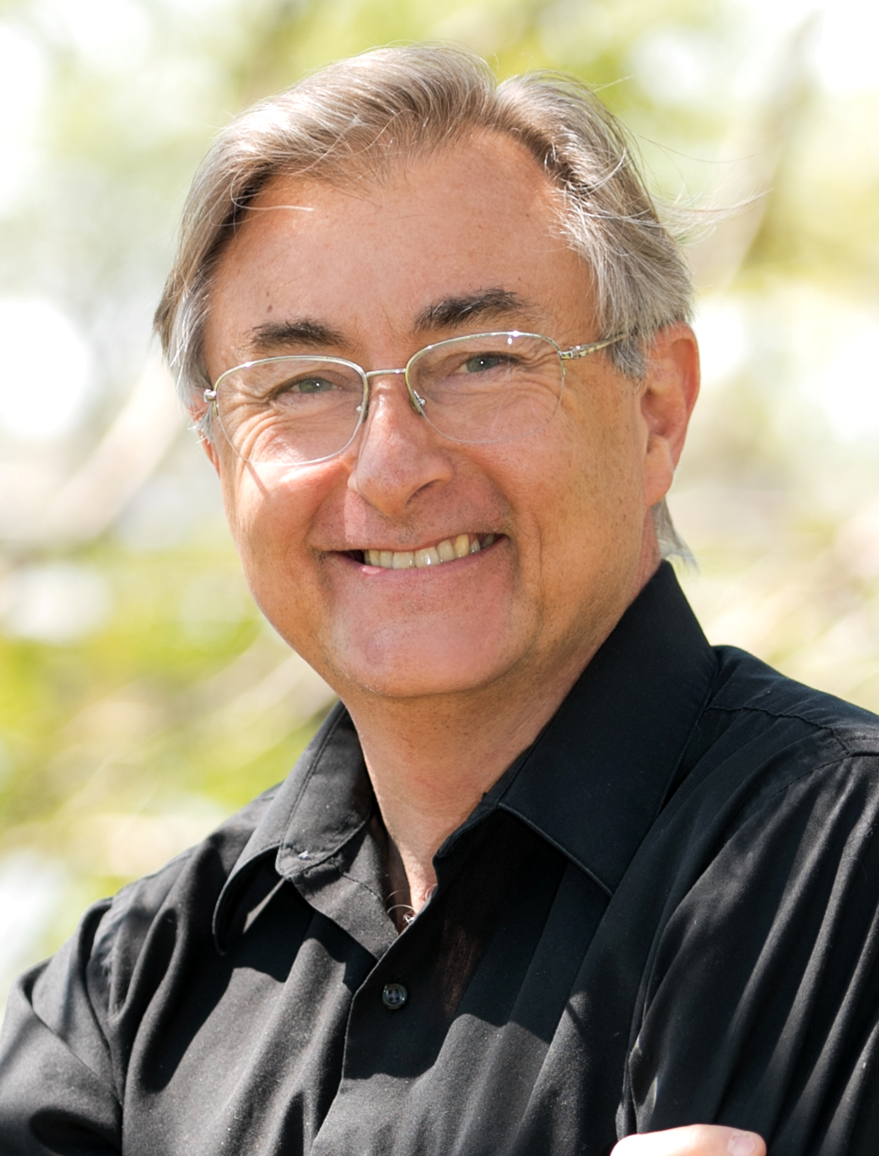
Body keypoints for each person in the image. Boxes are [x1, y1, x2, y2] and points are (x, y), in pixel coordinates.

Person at [0, 43, 876, 1156]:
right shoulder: (128, 997)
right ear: (220, 458)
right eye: (303, 383)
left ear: (656, 408)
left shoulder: (847, 879)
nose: (390, 467)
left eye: (480, 360)